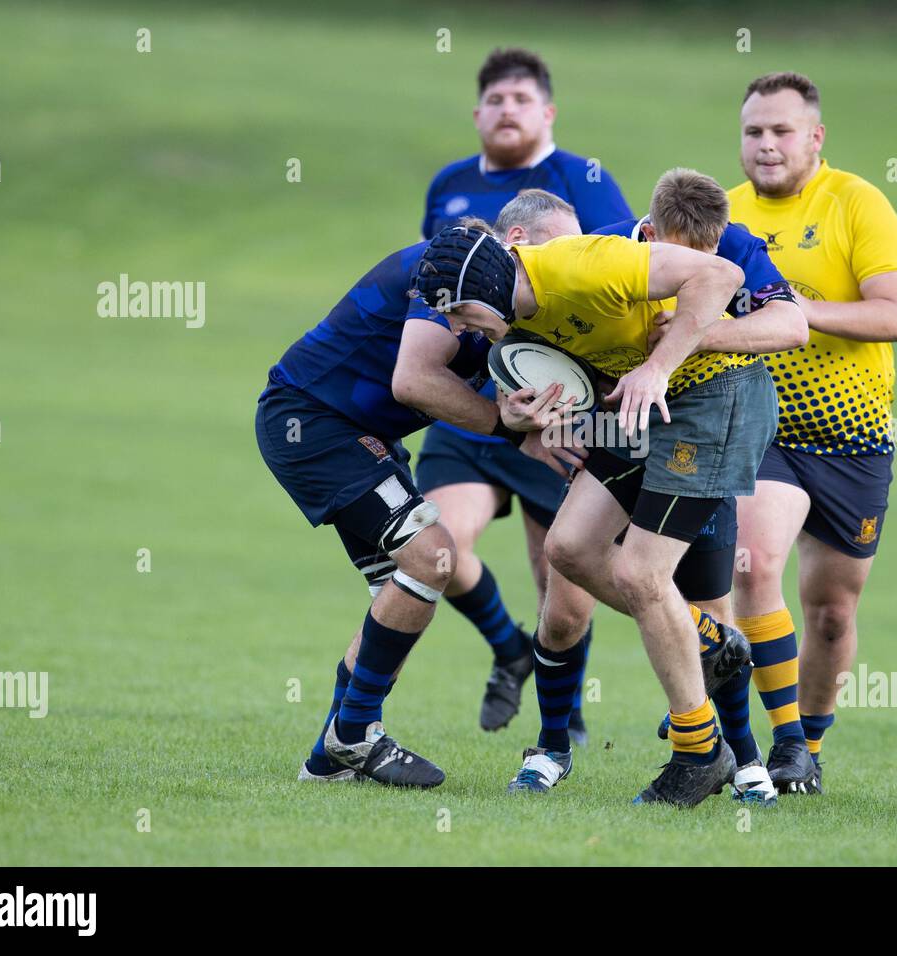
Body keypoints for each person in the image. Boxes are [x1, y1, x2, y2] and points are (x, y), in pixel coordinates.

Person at [413, 169, 800, 807]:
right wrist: (519, 416)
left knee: (644, 576)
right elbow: (546, 373)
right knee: (568, 548)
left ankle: (699, 752)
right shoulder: (510, 317)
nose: (459, 326)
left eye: (459, 311)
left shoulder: (585, 263)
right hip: (638, 410)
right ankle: (709, 642)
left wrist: (658, 365)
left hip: (714, 401)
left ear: (486, 285)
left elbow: (723, 278)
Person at [255, 199, 582, 787]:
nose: (567, 266)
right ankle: (355, 734)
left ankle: (328, 761)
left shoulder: (509, 296)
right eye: (557, 251)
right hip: (311, 423)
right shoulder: (450, 270)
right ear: (515, 241)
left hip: (360, 434)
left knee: (398, 593)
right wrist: (507, 427)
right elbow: (414, 380)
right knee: (432, 556)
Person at [418, 48, 634, 738]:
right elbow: (435, 294)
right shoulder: (448, 185)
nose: (507, 109)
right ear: (477, 113)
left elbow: (616, 282)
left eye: (522, 98)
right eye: (495, 99)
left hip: (555, 412)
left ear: (547, 112)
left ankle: (562, 721)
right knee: (436, 545)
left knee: (561, 581)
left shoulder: (582, 179)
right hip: (473, 404)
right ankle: (509, 651)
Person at [727, 72, 897, 794]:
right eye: (753, 132)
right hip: (760, 425)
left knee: (833, 614)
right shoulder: (725, 214)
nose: (767, 145)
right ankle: (778, 742)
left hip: (852, 435)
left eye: (781, 131)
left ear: (815, 136)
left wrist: (797, 312)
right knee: (751, 563)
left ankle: (808, 743)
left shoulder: (856, 202)